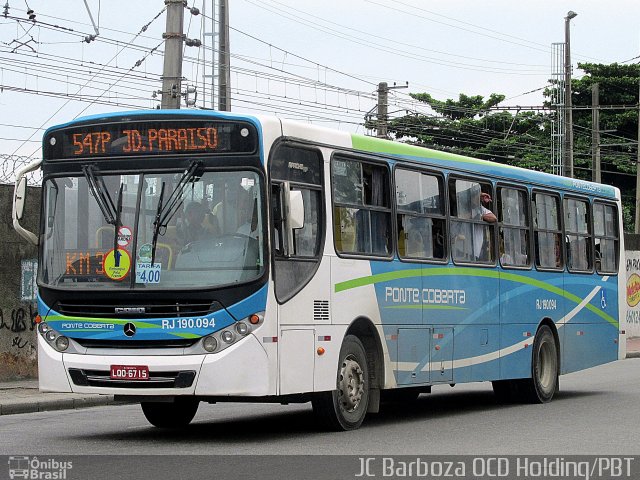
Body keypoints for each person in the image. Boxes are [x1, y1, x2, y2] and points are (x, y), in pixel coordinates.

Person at [474, 191, 496, 260]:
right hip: (464, 248)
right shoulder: (464, 207)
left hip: (477, 249)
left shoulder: (480, 209)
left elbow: (494, 218)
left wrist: (481, 216)